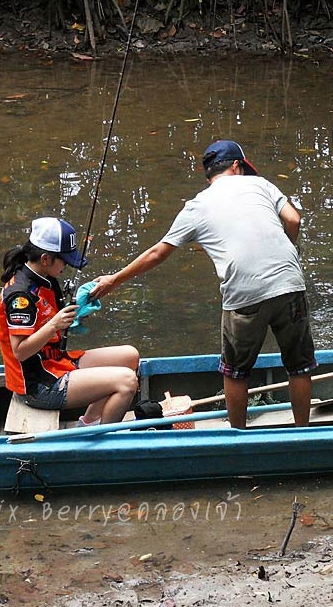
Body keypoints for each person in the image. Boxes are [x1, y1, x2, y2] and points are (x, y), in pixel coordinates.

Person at [90, 140, 316, 429]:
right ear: (237, 166)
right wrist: (285, 252)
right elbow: (293, 220)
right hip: (290, 283)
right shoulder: (261, 184)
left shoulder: (196, 207)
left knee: (235, 372)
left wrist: (114, 279)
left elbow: (158, 252)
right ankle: (302, 432)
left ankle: (237, 439)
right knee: (299, 366)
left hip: (244, 293)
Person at [0, 217, 140, 427]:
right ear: (45, 258)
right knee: (127, 382)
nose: (67, 265)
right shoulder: (20, 296)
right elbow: (20, 351)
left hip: (56, 361)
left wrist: (79, 309)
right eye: (64, 259)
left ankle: (89, 422)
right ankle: (105, 443)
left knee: (130, 356)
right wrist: (55, 324)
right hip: (38, 385)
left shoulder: (45, 278)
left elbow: (50, 321)